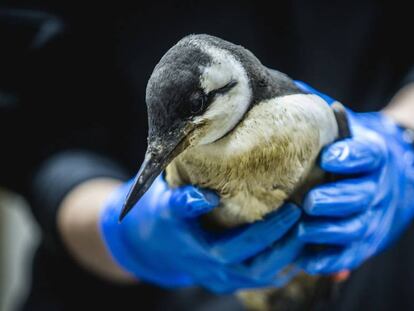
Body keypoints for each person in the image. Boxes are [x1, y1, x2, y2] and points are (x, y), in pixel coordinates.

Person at [1, 1, 413, 310]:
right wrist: (121, 236)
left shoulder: (301, 114)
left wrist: (401, 143)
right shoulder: (185, 153)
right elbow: (35, 130)